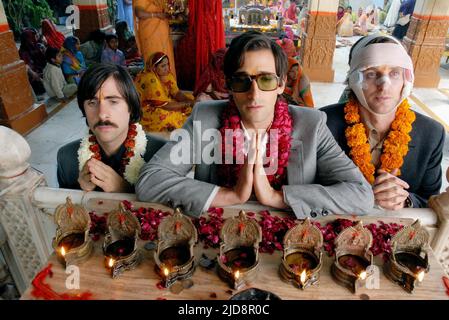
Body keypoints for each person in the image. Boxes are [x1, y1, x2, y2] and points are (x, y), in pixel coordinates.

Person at [135, 31, 374, 218]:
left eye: (266, 79)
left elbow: (361, 195)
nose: (254, 93)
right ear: (228, 86)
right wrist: (230, 195)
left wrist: (275, 197)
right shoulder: (205, 119)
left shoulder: (310, 125)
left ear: (281, 84)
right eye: (241, 81)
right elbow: (151, 180)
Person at [321, 34, 445, 209]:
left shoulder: (431, 133)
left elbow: (431, 200)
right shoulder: (323, 124)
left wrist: (405, 200)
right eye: (371, 74)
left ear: (406, 80)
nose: (384, 85)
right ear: (353, 79)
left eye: (394, 73)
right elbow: (307, 187)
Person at [57, 63, 167, 192]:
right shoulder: (67, 159)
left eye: (113, 101)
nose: (102, 114)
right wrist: (80, 191)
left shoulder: (161, 155)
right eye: (92, 103)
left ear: (130, 107)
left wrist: (124, 190)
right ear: (83, 110)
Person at [135, 52, 194, 132]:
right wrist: (187, 104)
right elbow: (164, 105)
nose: (167, 68)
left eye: (167, 64)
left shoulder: (166, 74)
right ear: (154, 68)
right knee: (163, 115)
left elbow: (176, 92)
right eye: (163, 66)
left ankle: (173, 124)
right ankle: (170, 125)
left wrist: (188, 100)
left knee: (190, 97)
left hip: (164, 102)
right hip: (147, 107)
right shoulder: (149, 79)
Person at [133, 0, 177, 76]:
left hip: (163, 34)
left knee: (166, 60)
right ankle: (156, 86)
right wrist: (156, 15)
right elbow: (139, 13)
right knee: (155, 61)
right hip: (151, 35)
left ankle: (169, 85)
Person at [19, 28, 47, 95]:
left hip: (42, 71)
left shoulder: (38, 45)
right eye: (34, 36)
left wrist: (44, 50)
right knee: (40, 88)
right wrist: (34, 74)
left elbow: (45, 59)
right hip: (34, 74)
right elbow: (26, 65)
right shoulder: (22, 51)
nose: (36, 37)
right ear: (28, 39)